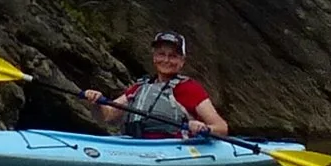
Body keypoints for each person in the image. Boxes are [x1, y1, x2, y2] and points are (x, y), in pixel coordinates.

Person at [83, 30, 232, 141]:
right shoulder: (140, 87)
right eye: (161, 54)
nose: (166, 60)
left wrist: (204, 128)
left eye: (173, 56)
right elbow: (108, 116)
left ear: (182, 61)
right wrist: (97, 100)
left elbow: (221, 128)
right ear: (154, 58)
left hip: (172, 149)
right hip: (135, 145)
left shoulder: (189, 89)